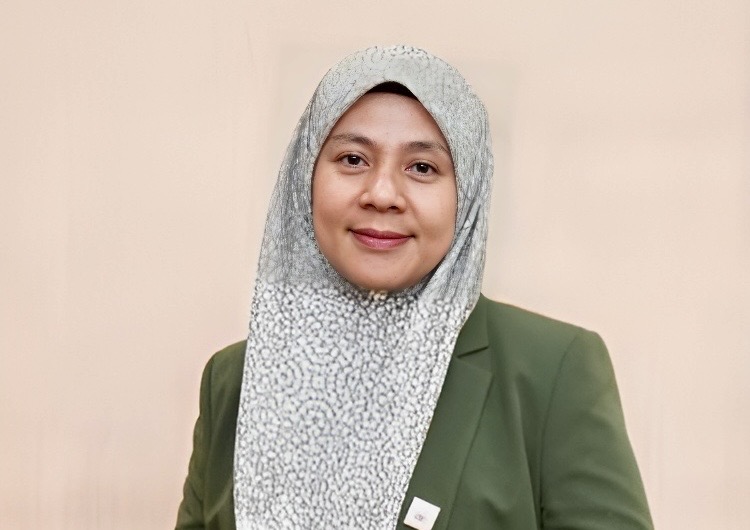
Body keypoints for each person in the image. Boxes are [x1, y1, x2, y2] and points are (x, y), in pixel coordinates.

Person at [176, 45, 653, 530]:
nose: (382, 194)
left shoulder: (552, 371)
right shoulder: (234, 379)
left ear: (466, 194)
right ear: (305, 178)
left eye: (422, 167)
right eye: (353, 159)